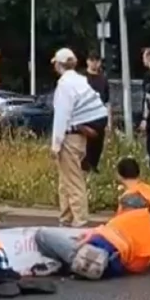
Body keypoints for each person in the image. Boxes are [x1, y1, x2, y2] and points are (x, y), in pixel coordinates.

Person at [34, 204, 150, 280]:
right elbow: (132, 267)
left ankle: (72, 262)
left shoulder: (141, 215)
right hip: (110, 265)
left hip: (96, 249)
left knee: (41, 235)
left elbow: (107, 228)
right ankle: (74, 265)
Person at [49, 48, 108, 227]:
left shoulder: (65, 85)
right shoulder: (81, 81)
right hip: (80, 136)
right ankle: (65, 218)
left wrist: (55, 144)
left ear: (59, 65)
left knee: (73, 181)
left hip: (69, 137)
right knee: (65, 180)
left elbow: (62, 116)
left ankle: (80, 221)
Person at [82, 53, 111, 173]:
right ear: (87, 61)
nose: (94, 63)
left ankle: (93, 166)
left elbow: (107, 101)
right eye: (92, 60)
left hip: (99, 116)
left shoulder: (103, 79)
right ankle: (85, 166)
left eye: (97, 60)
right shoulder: (83, 78)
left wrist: (109, 121)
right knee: (85, 143)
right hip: (85, 115)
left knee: (98, 144)